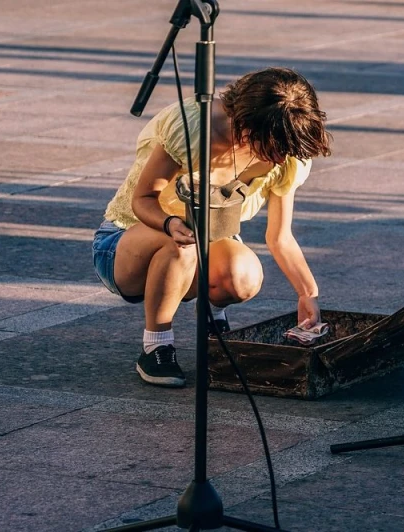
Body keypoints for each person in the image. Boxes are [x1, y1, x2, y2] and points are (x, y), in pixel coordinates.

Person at [92, 67, 331, 388]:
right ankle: (156, 346)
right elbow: (143, 199)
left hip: (207, 245)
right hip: (126, 244)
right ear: (246, 125)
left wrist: (308, 293)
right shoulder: (194, 126)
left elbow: (280, 236)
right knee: (183, 242)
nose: (279, 158)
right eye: (272, 147)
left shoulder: (287, 150)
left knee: (242, 276)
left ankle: (212, 317)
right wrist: (170, 222)